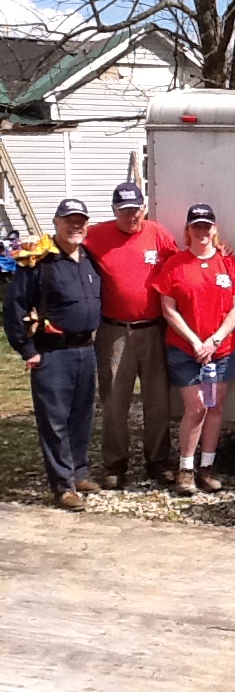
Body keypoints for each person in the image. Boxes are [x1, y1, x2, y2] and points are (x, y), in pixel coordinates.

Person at [2, 199, 102, 510]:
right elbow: (14, 308)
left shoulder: (88, 259)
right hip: (51, 353)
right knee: (55, 420)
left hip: (86, 350)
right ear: (56, 223)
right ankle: (62, 486)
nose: (76, 226)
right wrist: (27, 349)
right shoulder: (39, 262)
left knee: (81, 415)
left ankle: (78, 472)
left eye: (81, 221)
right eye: (69, 220)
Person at [84, 182, 179, 488]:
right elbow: (66, 247)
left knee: (158, 401)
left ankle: (158, 461)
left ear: (144, 208)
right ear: (114, 212)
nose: (131, 217)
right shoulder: (96, 236)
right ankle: (114, 464)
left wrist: (219, 244)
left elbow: (181, 262)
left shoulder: (157, 233)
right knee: (114, 401)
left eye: (136, 210)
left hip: (153, 329)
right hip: (114, 331)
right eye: (124, 211)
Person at [153, 203, 235, 496]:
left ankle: (207, 466)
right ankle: (185, 468)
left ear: (214, 229)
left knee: (215, 406)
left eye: (206, 226)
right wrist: (196, 342)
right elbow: (168, 310)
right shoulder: (175, 264)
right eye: (196, 226)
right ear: (188, 230)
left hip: (223, 349)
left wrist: (215, 340)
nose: (202, 231)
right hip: (186, 349)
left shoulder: (229, 263)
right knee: (195, 407)